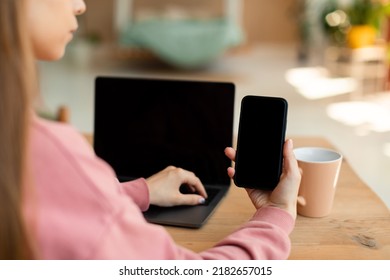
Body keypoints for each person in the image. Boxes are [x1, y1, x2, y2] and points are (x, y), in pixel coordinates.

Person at [0, 0, 301, 260]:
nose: (81, 5)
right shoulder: (46, 149)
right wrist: (277, 214)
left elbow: (48, 204)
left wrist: (131, 192)